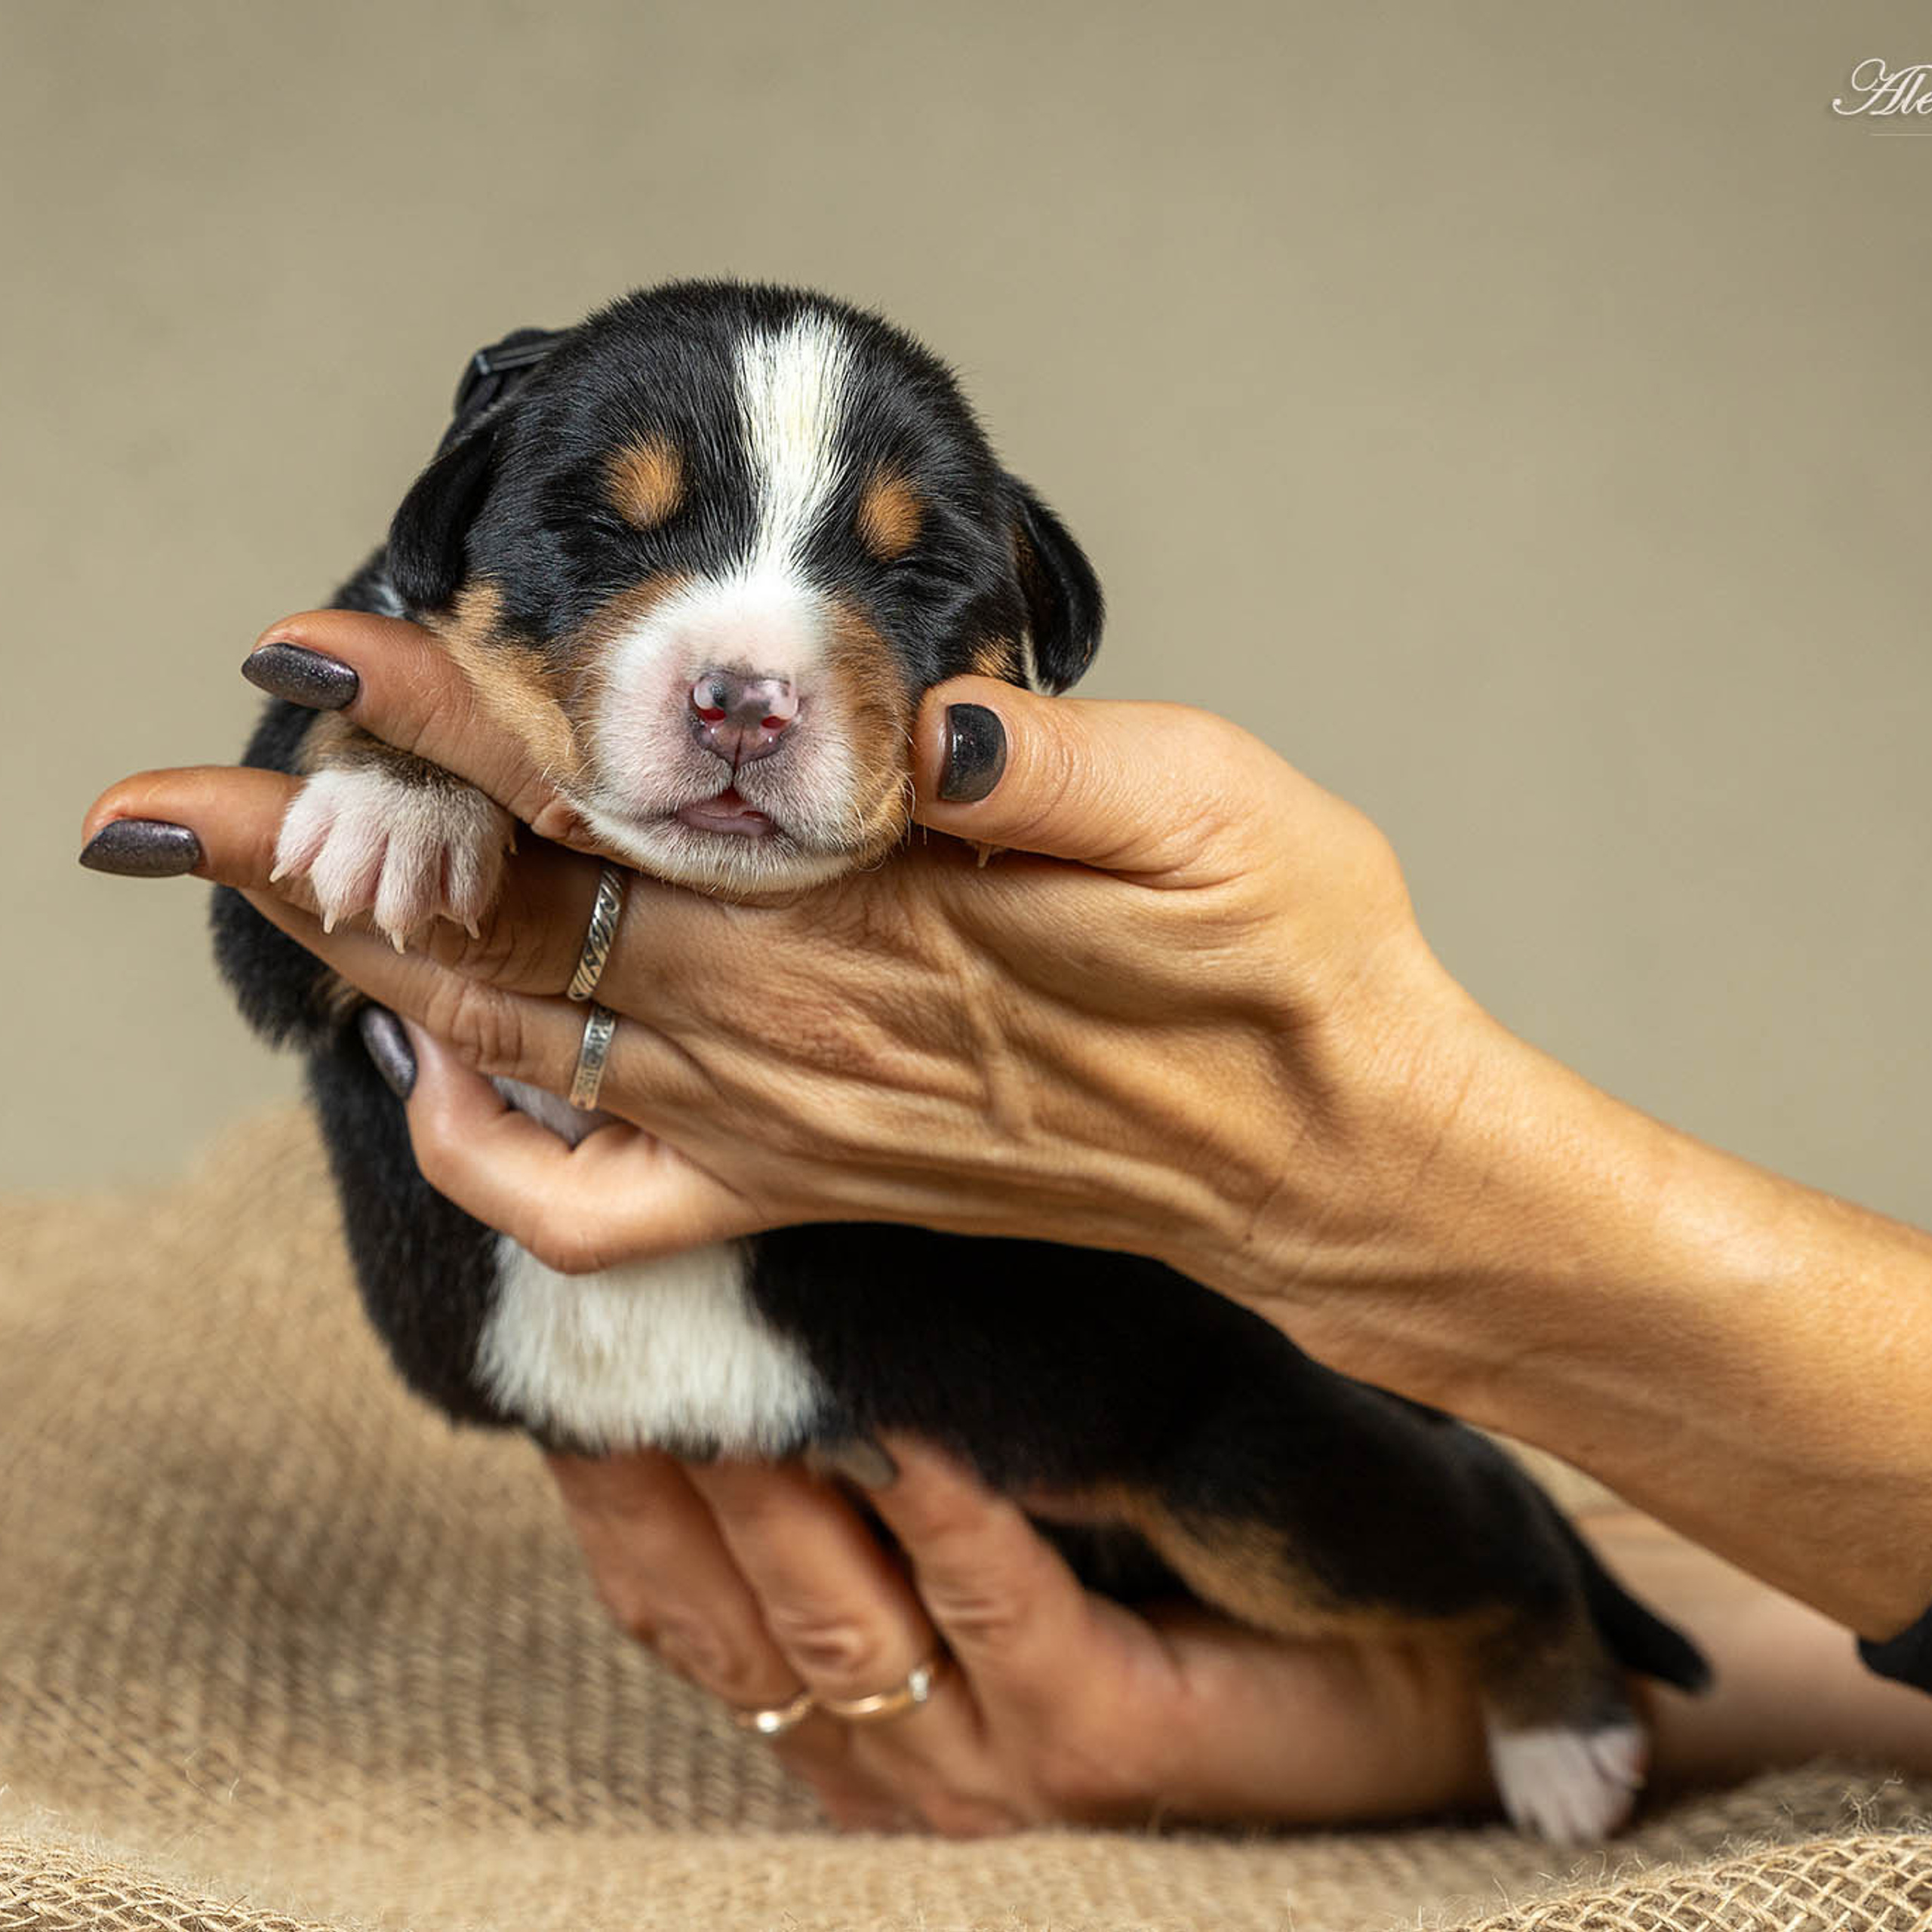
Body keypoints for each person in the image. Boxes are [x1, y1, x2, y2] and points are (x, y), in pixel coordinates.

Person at [82, 608, 1932, 1833]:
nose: (741, 667)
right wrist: (380, 783)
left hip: (1054, 1388)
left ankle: (1521, 1602)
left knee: (1291, 1485)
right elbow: (295, 954)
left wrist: (1347, 1180)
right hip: (760, 1417)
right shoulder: (453, 676)